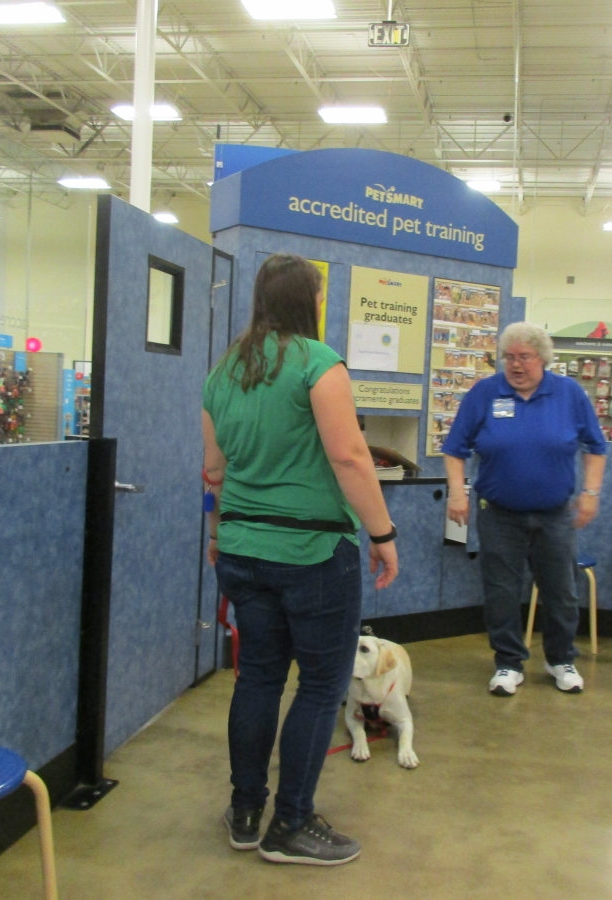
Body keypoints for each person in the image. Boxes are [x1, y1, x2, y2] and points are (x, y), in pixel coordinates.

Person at [202, 253, 399, 867]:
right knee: (319, 686)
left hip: (242, 550)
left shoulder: (223, 372)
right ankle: (290, 824)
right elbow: (350, 458)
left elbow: (213, 471)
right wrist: (383, 533)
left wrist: (218, 534)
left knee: (258, 678)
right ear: (311, 303)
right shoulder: (319, 363)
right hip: (312, 553)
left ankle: (244, 812)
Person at [443, 322, 607, 697]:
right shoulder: (484, 393)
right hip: (498, 514)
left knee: (562, 592)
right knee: (501, 592)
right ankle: (508, 663)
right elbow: (454, 450)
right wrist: (456, 494)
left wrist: (591, 493)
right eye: (509, 357)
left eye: (524, 357)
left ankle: (560, 659)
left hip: (555, 515)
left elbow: (596, 447)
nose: (516, 365)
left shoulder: (569, 393)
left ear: (543, 358)